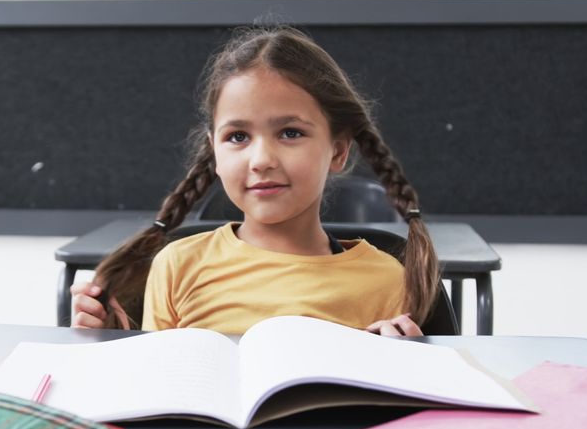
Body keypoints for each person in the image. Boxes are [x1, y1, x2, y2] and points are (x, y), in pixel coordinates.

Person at [71, 24, 440, 339]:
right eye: (238, 137)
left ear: (338, 150)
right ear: (214, 151)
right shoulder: (177, 265)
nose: (261, 160)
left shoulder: (386, 281)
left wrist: (406, 366)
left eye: (291, 133)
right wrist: (106, 344)